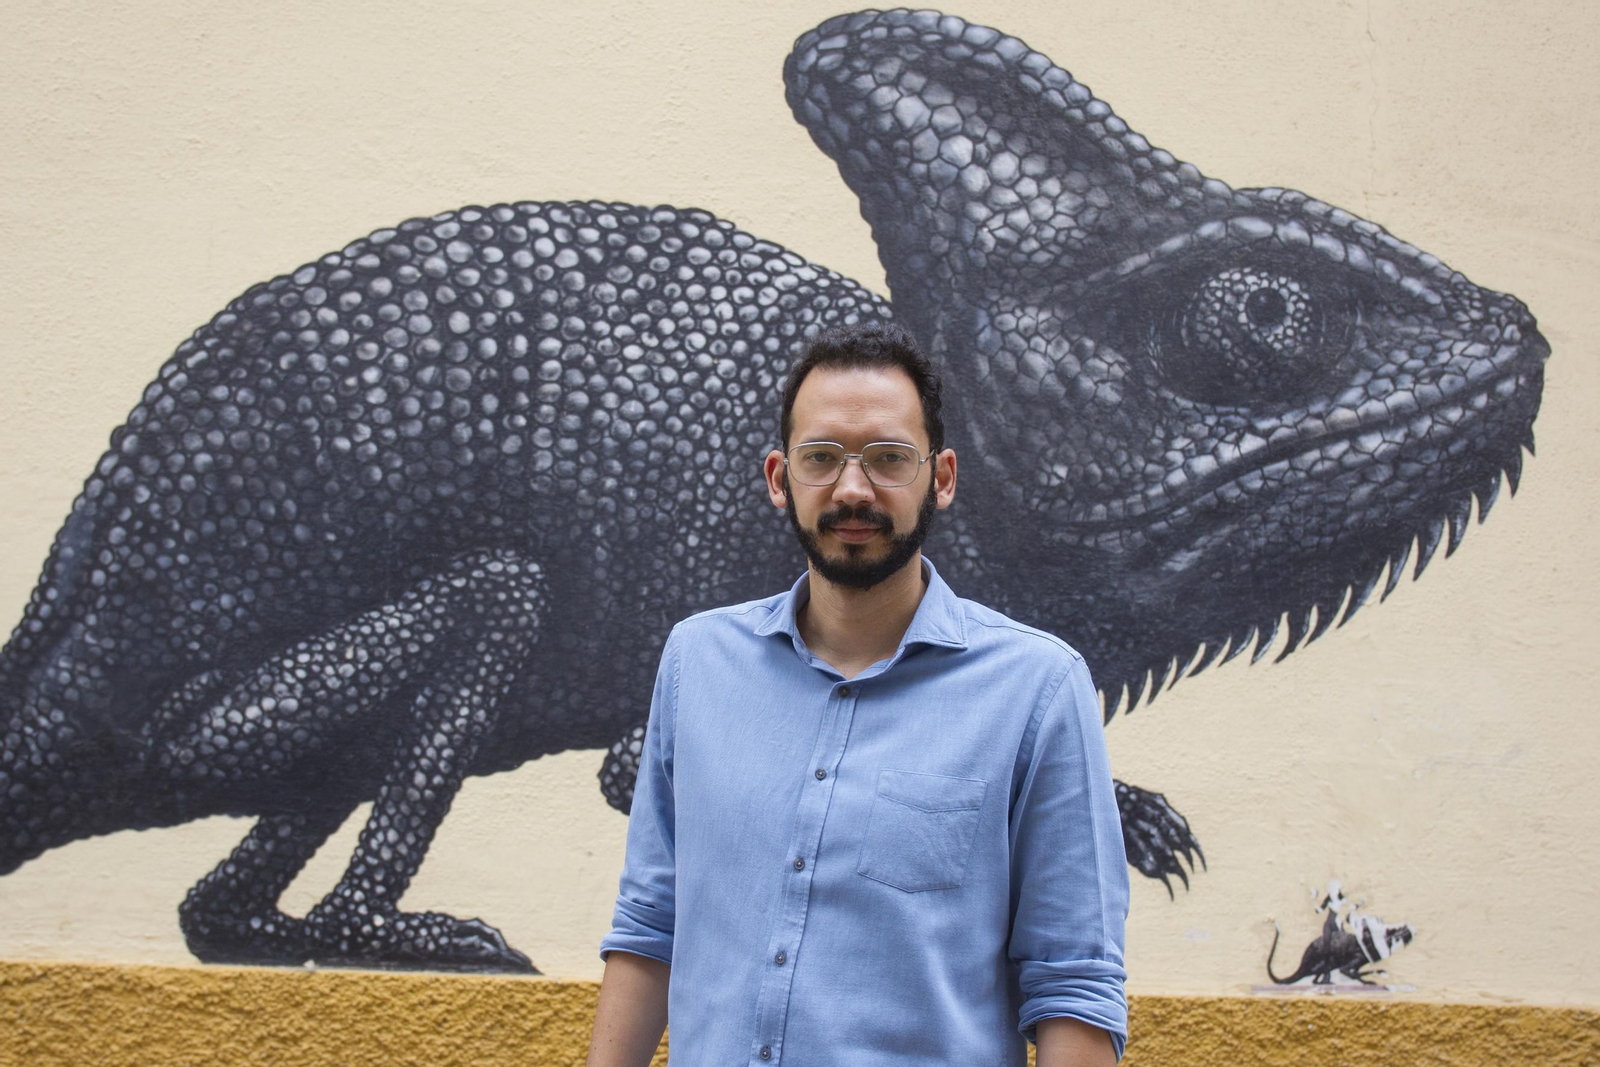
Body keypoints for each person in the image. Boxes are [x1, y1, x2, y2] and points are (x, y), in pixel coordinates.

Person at [586, 321, 1129, 1066]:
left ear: (940, 477)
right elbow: (651, 925)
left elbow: (1072, 983)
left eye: (887, 458)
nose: (851, 488)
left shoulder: (1036, 689)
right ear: (780, 478)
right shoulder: (697, 662)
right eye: (821, 458)